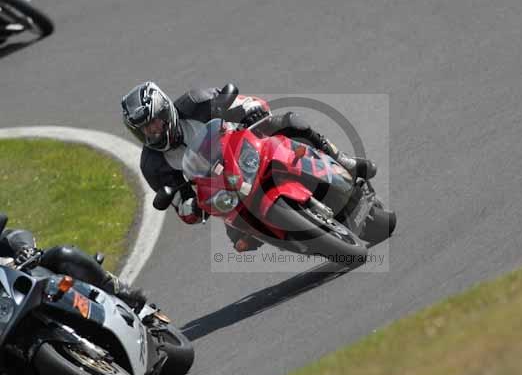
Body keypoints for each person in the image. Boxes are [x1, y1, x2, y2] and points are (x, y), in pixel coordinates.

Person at [120, 82, 377, 249]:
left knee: (290, 122)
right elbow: (181, 204)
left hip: (246, 150)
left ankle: (343, 160)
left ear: (166, 111)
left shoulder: (196, 102)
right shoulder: (153, 165)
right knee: (240, 241)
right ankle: (297, 239)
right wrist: (192, 207)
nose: (151, 132)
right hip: (224, 190)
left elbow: (245, 102)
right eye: (143, 130)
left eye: (154, 122)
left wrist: (252, 111)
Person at [0, 223, 147, 311]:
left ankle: (119, 291)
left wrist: (24, 249)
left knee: (64, 254)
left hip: (37, 282)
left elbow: (13, 234)